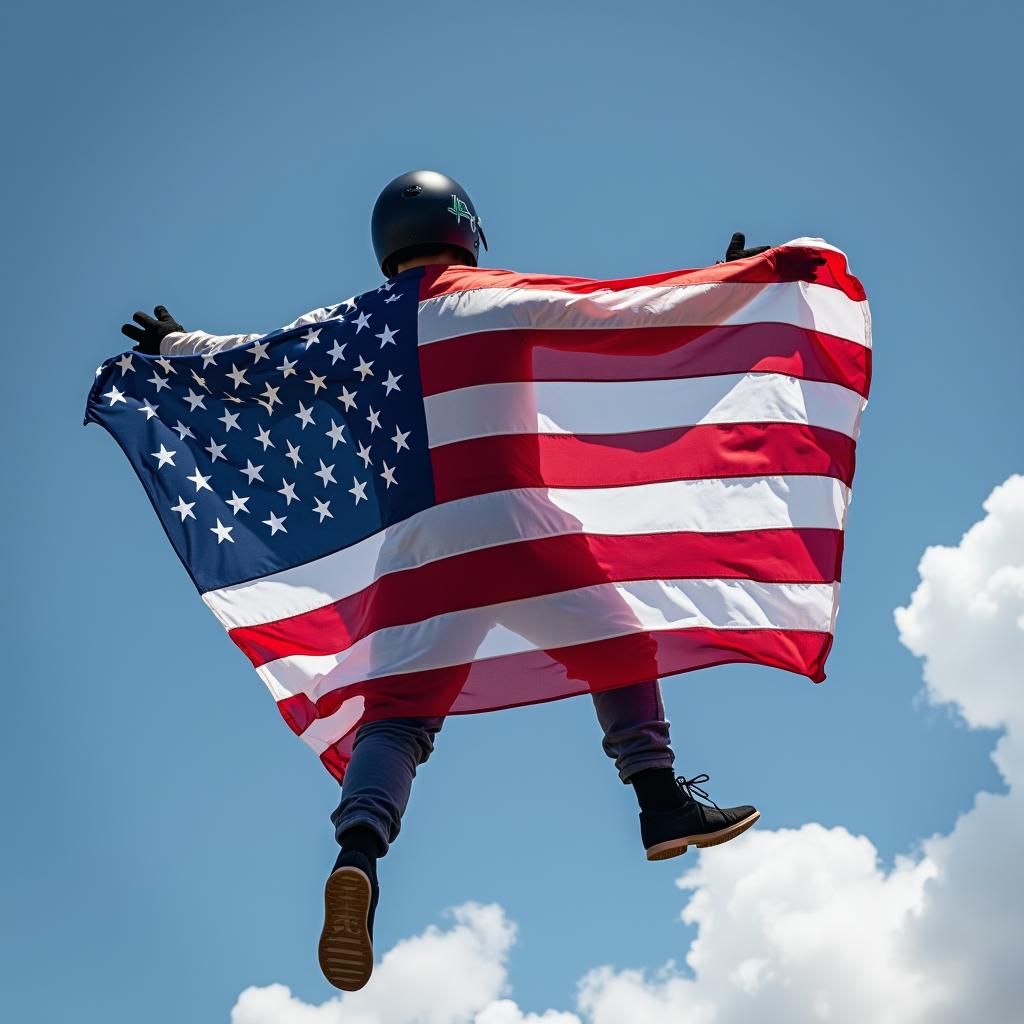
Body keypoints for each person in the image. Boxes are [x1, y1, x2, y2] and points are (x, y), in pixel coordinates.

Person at [122, 170, 794, 993]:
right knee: (619, 646)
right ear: (465, 230)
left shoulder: (342, 329)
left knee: (397, 720)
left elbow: (253, 361)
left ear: (386, 245)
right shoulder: (496, 296)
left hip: (418, 553)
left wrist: (175, 346)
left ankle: (357, 854)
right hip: (518, 528)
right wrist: (739, 281)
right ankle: (658, 798)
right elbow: (626, 314)